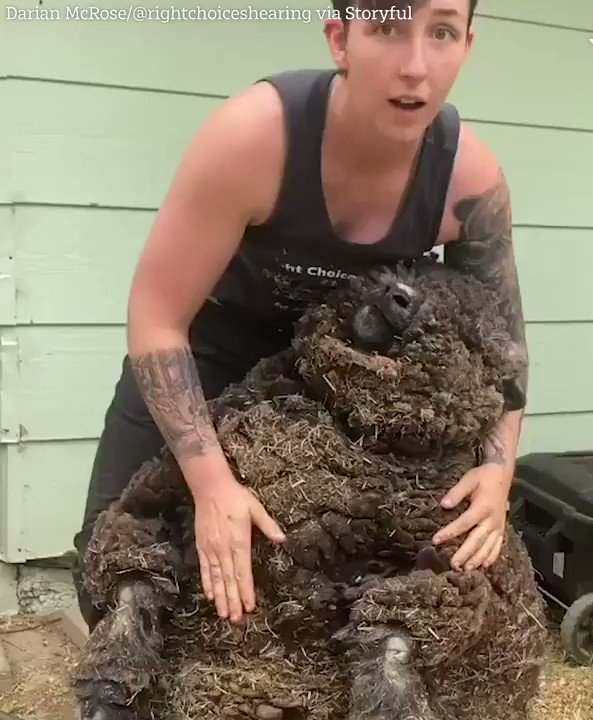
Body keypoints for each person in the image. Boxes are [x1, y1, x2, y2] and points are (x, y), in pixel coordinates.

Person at [72, 0, 529, 632]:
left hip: (330, 386)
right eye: (388, 28)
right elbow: (157, 318)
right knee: (109, 571)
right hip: (203, 360)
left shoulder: (468, 181)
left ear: (468, 46)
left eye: (442, 32)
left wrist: (497, 471)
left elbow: (502, 347)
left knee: (309, 595)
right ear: (341, 39)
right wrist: (210, 484)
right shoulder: (254, 137)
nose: (416, 66)